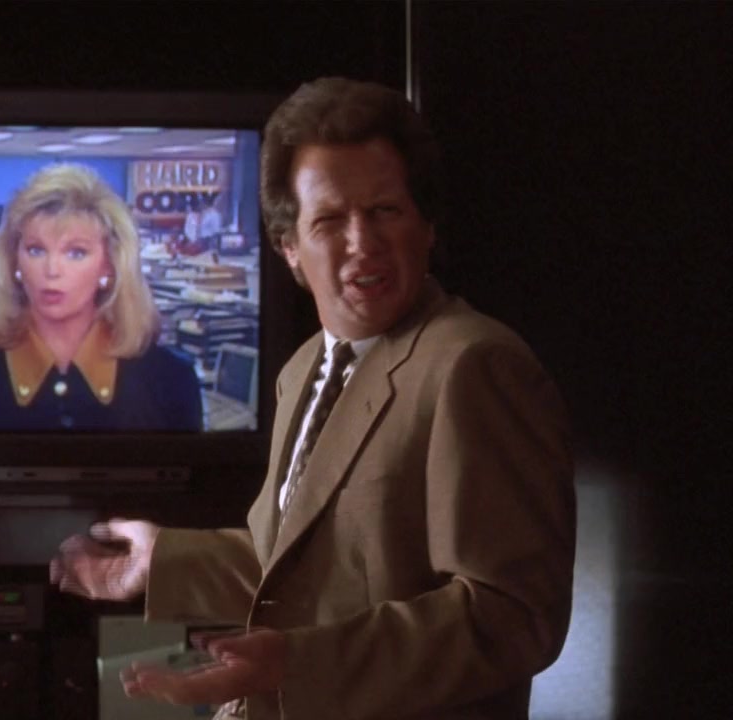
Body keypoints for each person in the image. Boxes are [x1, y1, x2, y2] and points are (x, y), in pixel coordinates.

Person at [50, 77, 576, 720]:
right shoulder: (303, 369)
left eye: (385, 211)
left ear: (427, 226)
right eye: (329, 220)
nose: (363, 242)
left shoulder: (474, 365)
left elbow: (513, 615)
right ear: (290, 249)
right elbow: (310, 567)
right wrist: (162, 563)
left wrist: (296, 664)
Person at [0, 163, 203, 431]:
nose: (52, 270)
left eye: (76, 252)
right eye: (36, 250)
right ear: (14, 261)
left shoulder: (170, 378)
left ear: (109, 265)